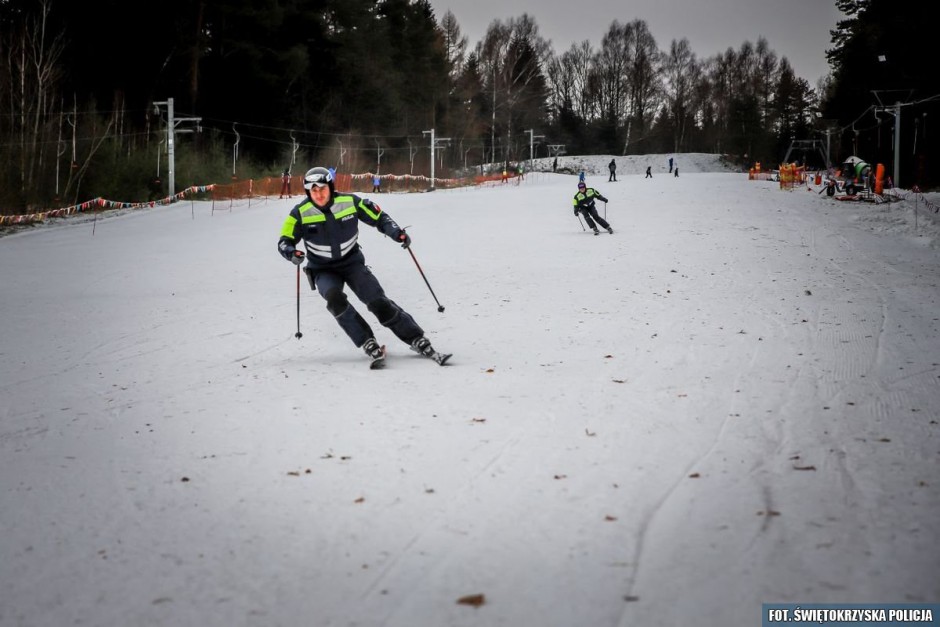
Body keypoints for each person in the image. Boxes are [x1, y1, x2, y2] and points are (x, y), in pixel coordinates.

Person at [277, 166, 446, 364]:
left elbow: (379, 217)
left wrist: (397, 233)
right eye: (313, 190)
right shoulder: (299, 213)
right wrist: (292, 253)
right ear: (308, 192)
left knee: (376, 300)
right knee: (334, 299)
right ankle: (367, 341)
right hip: (323, 269)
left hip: (352, 263)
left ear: (330, 187)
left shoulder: (350, 202)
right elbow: (284, 241)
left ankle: (415, 337)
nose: (318, 194)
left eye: (322, 188)